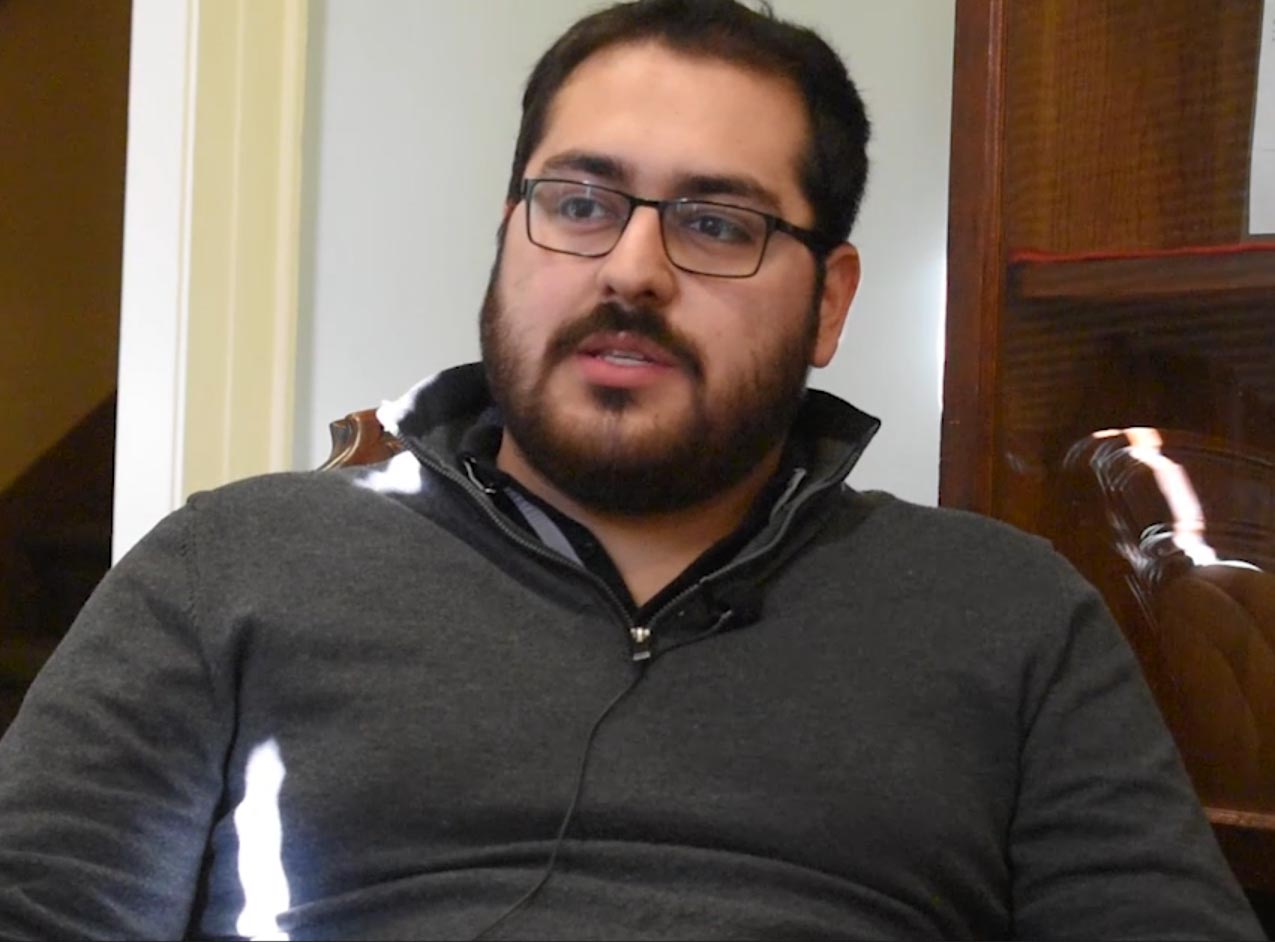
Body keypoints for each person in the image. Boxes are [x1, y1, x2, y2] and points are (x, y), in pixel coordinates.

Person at [0, 1, 1263, 938]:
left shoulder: (1011, 615)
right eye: (581, 203)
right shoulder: (234, 566)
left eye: (718, 223)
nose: (631, 271)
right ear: (510, 241)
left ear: (829, 304)